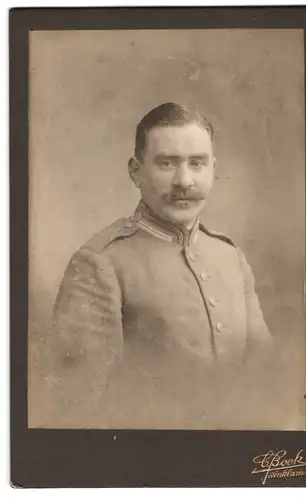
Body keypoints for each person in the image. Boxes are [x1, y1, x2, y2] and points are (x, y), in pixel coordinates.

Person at [47, 102, 277, 429]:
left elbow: (267, 377)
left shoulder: (230, 257)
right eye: (167, 164)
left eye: (197, 163)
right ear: (136, 171)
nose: (184, 181)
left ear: (214, 168)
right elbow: (81, 407)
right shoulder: (101, 263)